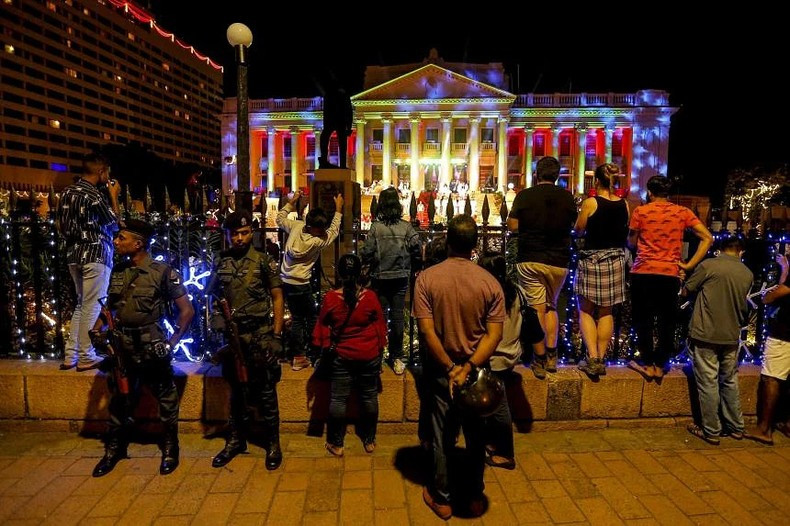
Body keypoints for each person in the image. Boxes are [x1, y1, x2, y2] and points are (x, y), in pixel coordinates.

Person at [413, 215, 505, 520]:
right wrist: (468, 366)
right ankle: (475, 494)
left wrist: (452, 367)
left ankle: (442, 497)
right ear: (475, 244)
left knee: (440, 433)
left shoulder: (427, 278)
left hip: (442, 368)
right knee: (476, 434)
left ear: (448, 241)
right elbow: (494, 335)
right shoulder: (489, 282)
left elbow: (427, 332)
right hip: (476, 371)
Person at [90, 219, 194, 477]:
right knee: (120, 399)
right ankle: (115, 448)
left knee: (166, 399)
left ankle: (171, 447)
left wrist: (171, 344)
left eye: (121, 238)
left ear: (138, 243)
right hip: (123, 347)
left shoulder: (161, 272)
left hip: (150, 345)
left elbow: (187, 311)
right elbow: (109, 308)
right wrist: (96, 329)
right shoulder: (119, 272)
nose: (116, 242)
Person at [210, 210, 286, 470]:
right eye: (235, 234)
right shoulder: (221, 261)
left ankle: (272, 443)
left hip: (258, 336)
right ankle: (235, 440)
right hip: (234, 338)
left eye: (244, 233)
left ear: (251, 233)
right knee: (237, 392)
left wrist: (276, 335)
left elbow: (277, 296)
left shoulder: (263, 261)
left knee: (266, 392)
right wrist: (216, 321)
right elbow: (212, 295)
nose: (239, 238)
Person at [627, 175, 713, 380]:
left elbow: (631, 242)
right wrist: (689, 264)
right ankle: (661, 364)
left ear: (650, 192)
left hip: (644, 272)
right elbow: (708, 237)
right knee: (667, 320)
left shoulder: (640, 211)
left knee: (643, 319)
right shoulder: (682, 212)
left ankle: (647, 363)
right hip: (669, 273)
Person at [507, 156, 577, 379]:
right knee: (551, 307)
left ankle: (539, 358)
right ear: (557, 175)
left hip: (531, 257)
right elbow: (573, 225)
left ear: (537, 174)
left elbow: (513, 225)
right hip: (559, 260)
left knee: (536, 308)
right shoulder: (568, 198)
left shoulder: (525, 195)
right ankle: (552, 354)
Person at [312, 253, 387, 456]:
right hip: (369, 354)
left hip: (342, 356)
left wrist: (324, 346)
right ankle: (369, 440)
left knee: (338, 399)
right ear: (359, 272)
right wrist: (380, 351)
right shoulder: (369, 297)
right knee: (369, 397)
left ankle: (336, 443)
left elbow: (322, 327)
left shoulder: (331, 299)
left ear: (339, 272)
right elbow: (380, 327)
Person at [682, 236, 753, 444]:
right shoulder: (746, 273)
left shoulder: (709, 266)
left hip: (706, 331)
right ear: (741, 252)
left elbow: (688, 289)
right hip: (731, 333)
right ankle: (736, 427)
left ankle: (711, 430)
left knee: (708, 381)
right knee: (729, 380)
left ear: (720, 250)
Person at [57, 152, 121, 371]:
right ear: (101, 171)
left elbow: (62, 226)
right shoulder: (94, 195)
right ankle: (86, 356)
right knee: (93, 305)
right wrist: (113, 196)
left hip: (73, 255)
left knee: (81, 305)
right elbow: (114, 224)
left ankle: (70, 356)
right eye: (108, 172)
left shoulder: (67, 192)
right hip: (95, 255)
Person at [479, 256, 543, 471]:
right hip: (511, 353)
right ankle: (492, 441)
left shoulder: (487, 293)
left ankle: (505, 453)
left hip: (492, 355)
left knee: (499, 406)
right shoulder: (516, 290)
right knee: (493, 402)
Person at [573, 163, 630, 377]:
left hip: (592, 259)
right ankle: (603, 357)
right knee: (607, 311)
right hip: (615, 260)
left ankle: (593, 357)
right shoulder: (624, 204)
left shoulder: (590, 203)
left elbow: (579, 229)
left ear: (596, 181)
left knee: (586, 309)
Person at [276, 190, 343, 371]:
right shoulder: (316, 241)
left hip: (286, 280)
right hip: (302, 283)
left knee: (297, 318)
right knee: (313, 317)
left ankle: (298, 356)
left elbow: (280, 219)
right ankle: (316, 351)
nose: (322, 232)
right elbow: (334, 231)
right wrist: (338, 209)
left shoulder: (297, 227)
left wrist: (292, 202)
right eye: (320, 229)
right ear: (314, 228)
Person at [359, 187, 422, 375]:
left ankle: (377, 356)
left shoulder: (376, 228)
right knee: (397, 318)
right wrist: (414, 263)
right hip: (401, 276)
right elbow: (417, 247)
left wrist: (367, 262)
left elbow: (367, 251)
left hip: (380, 276)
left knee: (378, 318)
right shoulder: (406, 227)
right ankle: (397, 356)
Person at [746, 248, 790, 445]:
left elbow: (775, 294)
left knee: (771, 379)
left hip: (784, 335)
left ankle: (764, 429)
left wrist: (784, 273)